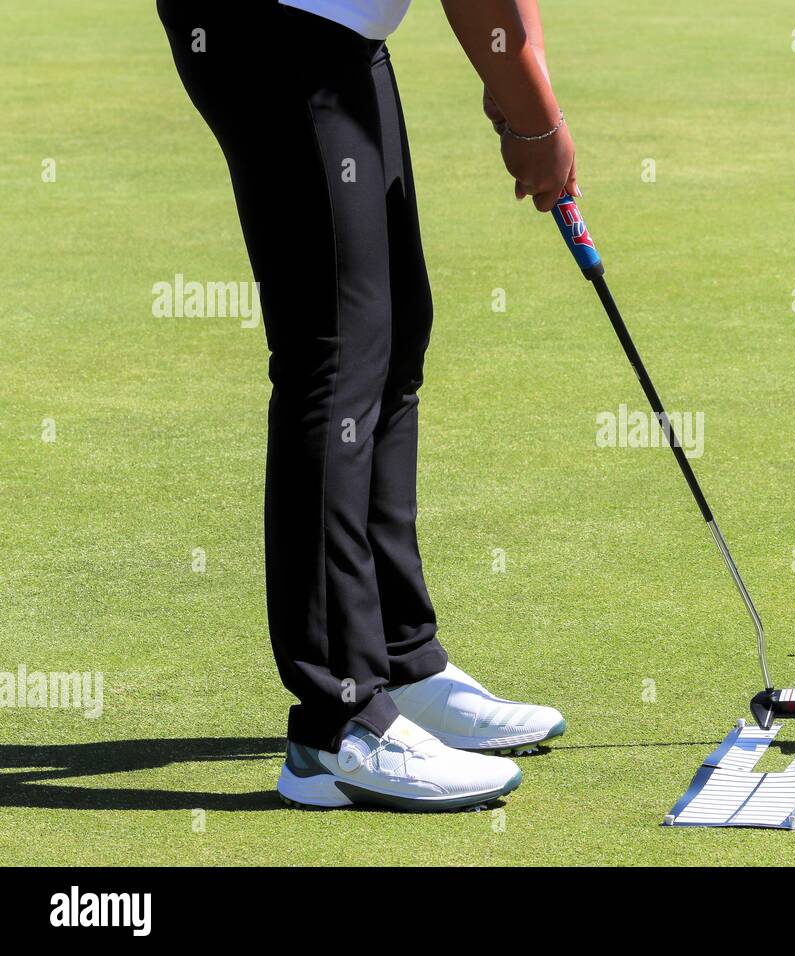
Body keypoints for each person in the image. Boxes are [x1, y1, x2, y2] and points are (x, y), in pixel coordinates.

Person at [156, 0, 575, 811]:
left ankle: (399, 659)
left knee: (392, 336)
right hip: (272, 29)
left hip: (335, 36)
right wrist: (534, 124)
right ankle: (338, 726)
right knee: (337, 354)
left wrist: (530, 89)